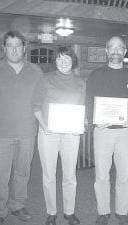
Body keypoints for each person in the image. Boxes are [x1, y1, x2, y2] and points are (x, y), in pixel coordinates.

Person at [0, 31, 44, 225]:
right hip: (0, 134)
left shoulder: (35, 71)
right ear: (3, 48)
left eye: (18, 46)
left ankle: (18, 205)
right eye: (10, 45)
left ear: (24, 48)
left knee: (23, 172)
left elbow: (41, 99)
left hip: (27, 133)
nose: (14, 50)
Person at [85, 36, 128, 225]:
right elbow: (88, 103)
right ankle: (103, 211)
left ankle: (122, 211)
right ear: (107, 51)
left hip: (125, 133)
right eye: (112, 48)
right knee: (101, 174)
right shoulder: (95, 75)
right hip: (103, 132)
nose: (116, 51)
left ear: (125, 52)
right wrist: (94, 121)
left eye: (120, 48)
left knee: (124, 175)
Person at [34, 46, 85, 225]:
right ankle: (51, 212)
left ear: (73, 61)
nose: (63, 62)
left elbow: (83, 108)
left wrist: (82, 122)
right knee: (49, 174)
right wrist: (44, 126)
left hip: (71, 134)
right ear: (54, 61)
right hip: (48, 133)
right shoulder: (45, 78)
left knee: (70, 175)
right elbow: (35, 106)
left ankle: (69, 212)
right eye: (59, 58)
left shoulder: (80, 82)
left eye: (67, 59)